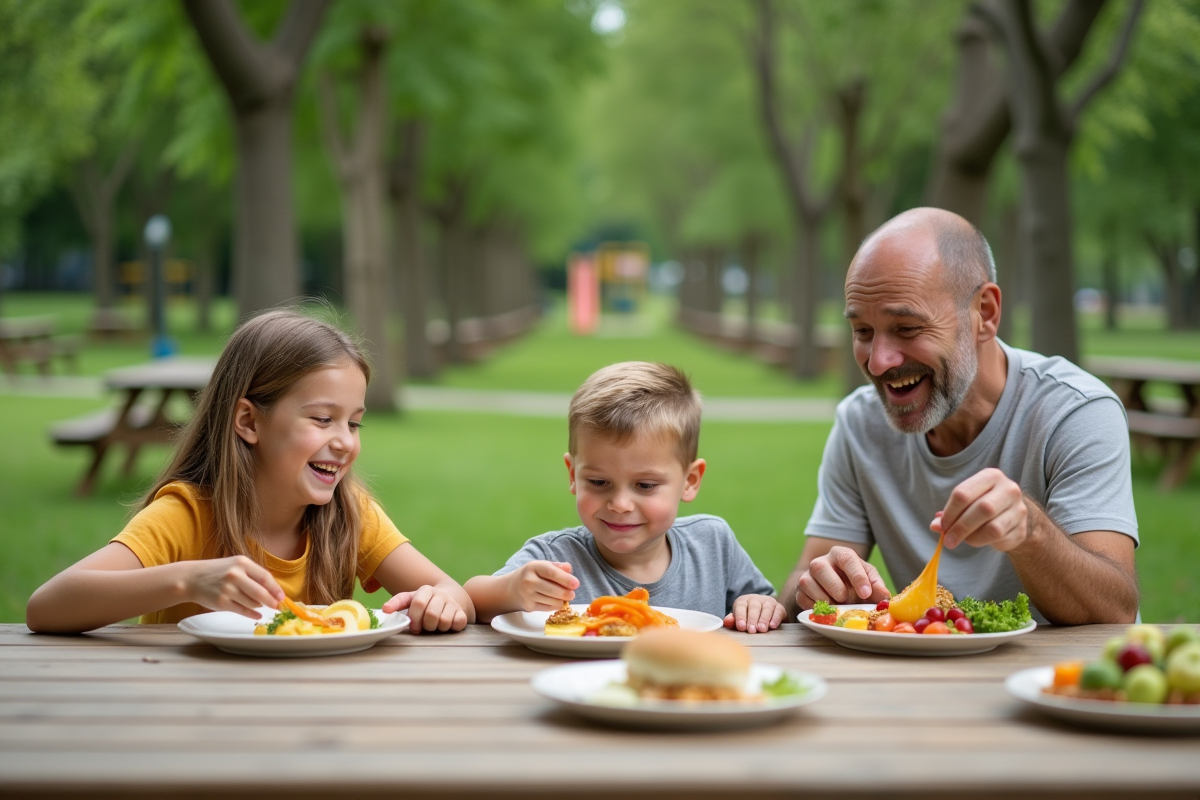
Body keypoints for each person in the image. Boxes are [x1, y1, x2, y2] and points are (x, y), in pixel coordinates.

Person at [782, 207, 1139, 626]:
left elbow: (1115, 611)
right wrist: (816, 587)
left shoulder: (1075, 412)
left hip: (1049, 682)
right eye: (862, 331)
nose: (878, 362)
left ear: (984, 313)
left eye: (908, 328)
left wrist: (1031, 533)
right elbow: (802, 592)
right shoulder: (861, 423)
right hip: (922, 678)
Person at [26, 309, 474, 634]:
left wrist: (440, 601)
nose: (345, 441)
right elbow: (46, 607)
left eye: (354, 423)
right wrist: (188, 579)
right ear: (248, 421)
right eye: (322, 419)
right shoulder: (187, 515)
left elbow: (453, 593)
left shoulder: (350, 516)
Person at [465, 361, 785, 633]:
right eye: (599, 481)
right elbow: (473, 599)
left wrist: (758, 605)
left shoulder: (713, 543)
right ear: (573, 475)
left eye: (645, 485)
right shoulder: (554, 557)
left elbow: (765, 605)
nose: (619, 504)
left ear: (689, 481)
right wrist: (512, 589)